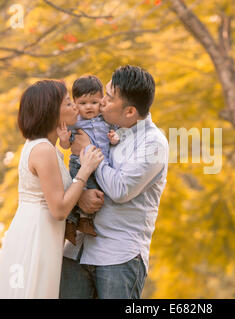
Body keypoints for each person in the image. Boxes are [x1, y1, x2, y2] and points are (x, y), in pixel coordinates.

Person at [60, 65, 169, 299]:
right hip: (76, 250)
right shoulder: (99, 125)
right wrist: (79, 194)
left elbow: (120, 189)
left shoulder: (153, 144)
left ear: (130, 111)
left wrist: (87, 150)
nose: (100, 103)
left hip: (118, 257)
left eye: (108, 99)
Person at [0, 80, 104, 298]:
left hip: (45, 235)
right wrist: (86, 170)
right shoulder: (43, 150)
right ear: (51, 111)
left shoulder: (47, 147)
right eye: (69, 103)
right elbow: (59, 208)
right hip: (35, 237)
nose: (75, 108)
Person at [58, 75, 120, 245]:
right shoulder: (75, 122)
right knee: (77, 188)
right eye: (83, 103)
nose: (89, 107)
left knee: (94, 190)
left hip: (99, 163)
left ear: (101, 101)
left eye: (94, 102)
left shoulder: (106, 120)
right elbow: (66, 145)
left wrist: (114, 137)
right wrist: (64, 139)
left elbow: (116, 133)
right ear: (75, 103)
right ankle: (70, 224)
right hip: (79, 162)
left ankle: (85, 221)